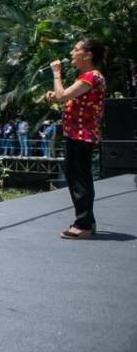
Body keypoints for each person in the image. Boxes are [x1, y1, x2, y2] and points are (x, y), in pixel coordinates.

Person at [45, 39, 106, 239]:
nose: (72, 53)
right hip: (78, 135)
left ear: (88, 55)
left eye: (76, 50)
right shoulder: (88, 77)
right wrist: (57, 95)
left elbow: (64, 96)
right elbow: (66, 96)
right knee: (79, 178)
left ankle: (84, 224)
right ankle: (87, 220)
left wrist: (56, 73)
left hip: (81, 136)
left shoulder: (91, 76)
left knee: (79, 179)